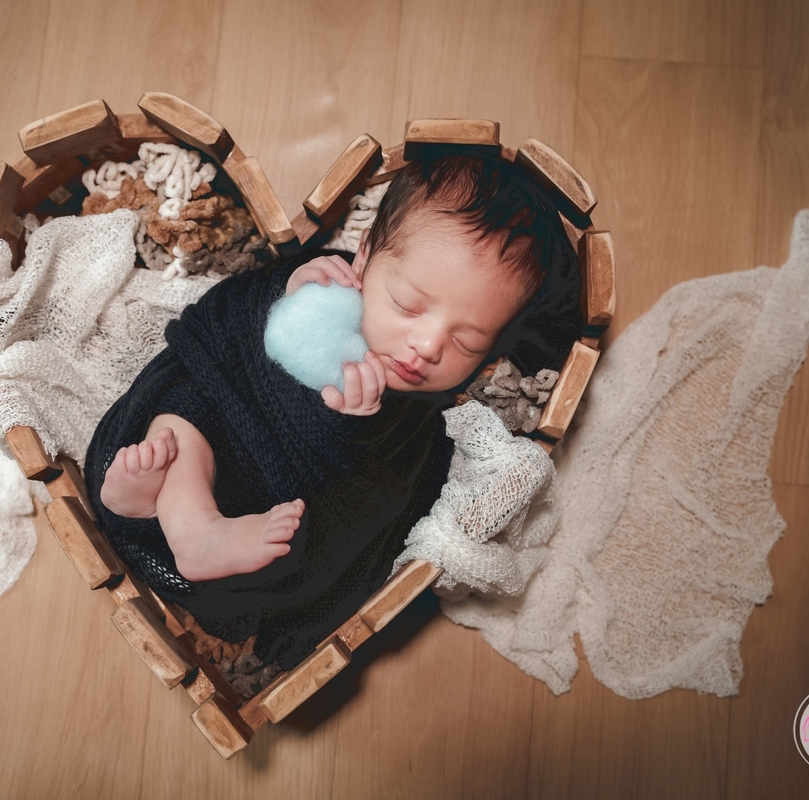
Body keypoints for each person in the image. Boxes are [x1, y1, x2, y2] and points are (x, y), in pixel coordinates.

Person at [85, 151, 582, 667]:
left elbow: (378, 497)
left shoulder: (417, 416)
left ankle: (147, 511)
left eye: (470, 340)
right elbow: (222, 324)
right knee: (183, 414)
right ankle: (186, 524)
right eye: (409, 305)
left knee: (294, 541)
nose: (428, 346)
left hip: (265, 504)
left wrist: (351, 425)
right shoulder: (322, 279)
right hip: (218, 432)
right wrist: (283, 293)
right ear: (364, 257)